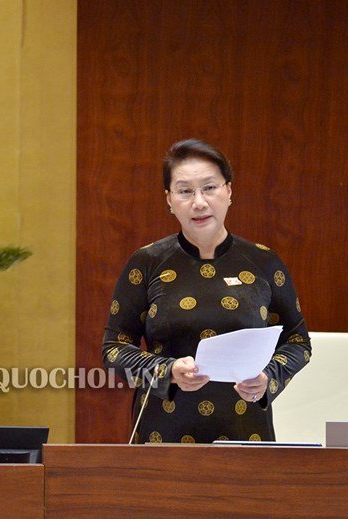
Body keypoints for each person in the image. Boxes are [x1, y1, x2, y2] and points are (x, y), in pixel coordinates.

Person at [103, 138, 311, 444]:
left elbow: (297, 342)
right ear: (169, 199)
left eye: (209, 187)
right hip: (163, 434)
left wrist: (268, 377)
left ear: (229, 191)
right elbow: (114, 350)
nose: (199, 202)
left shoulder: (264, 262)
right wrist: (167, 370)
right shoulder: (146, 262)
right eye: (185, 191)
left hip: (246, 432)